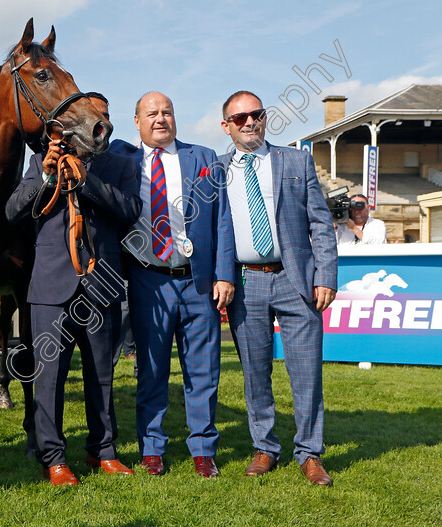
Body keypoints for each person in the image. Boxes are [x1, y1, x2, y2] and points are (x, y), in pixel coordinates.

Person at [5, 93, 142, 486]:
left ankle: (104, 451)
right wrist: (48, 177)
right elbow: (14, 212)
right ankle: (53, 458)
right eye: (89, 113)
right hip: (50, 289)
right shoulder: (39, 161)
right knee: (49, 377)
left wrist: (89, 182)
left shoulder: (120, 164)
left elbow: (130, 210)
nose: (96, 119)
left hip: (102, 284)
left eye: (103, 113)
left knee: (102, 374)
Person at [110, 91, 235, 479]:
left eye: (166, 112)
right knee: (151, 370)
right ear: (137, 121)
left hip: (198, 282)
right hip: (148, 280)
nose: (160, 119)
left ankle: (202, 450)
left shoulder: (203, 158)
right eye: (151, 113)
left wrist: (225, 273)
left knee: (203, 371)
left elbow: (223, 221)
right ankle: (151, 449)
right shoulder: (121, 160)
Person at [219, 90, 338, 485]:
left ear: (265, 118)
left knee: (306, 372)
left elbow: (321, 223)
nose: (249, 122)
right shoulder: (216, 171)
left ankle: (310, 453)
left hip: (295, 279)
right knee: (255, 373)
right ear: (227, 127)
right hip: (245, 281)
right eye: (240, 118)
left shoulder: (296, 160)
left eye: (256, 114)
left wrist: (325, 276)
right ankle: (265, 448)